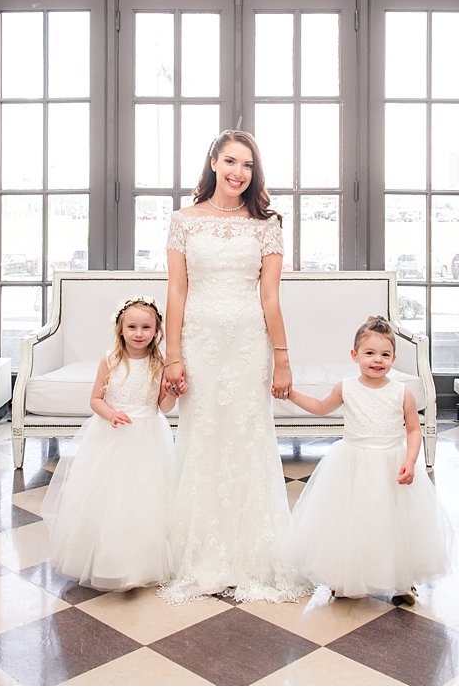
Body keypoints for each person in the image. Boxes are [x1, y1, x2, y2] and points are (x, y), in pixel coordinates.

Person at [159, 130, 310, 605]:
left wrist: (282, 359)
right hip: (200, 343)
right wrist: (173, 353)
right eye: (230, 161)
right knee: (201, 435)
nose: (238, 173)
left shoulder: (266, 225)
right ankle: (200, 552)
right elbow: (177, 291)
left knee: (247, 437)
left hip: (248, 345)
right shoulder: (183, 221)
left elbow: (270, 296)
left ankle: (252, 555)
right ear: (213, 161)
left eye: (247, 165)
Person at [285, 316, 455, 601]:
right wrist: (292, 395)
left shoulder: (401, 392)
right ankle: (344, 576)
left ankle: (403, 580)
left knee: (396, 524)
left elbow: (414, 430)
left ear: (394, 358)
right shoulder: (346, 387)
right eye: (370, 353)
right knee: (351, 521)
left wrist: (411, 461)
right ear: (355, 356)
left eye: (385, 355)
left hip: (391, 464)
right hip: (353, 463)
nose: (378, 360)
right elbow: (319, 407)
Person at [42, 298, 179, 590]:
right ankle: (107, 561)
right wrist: (111, 414)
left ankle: (140, 564)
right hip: (112, 436)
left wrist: (173, 392)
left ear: (156, 331)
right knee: (110, 497)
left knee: (145, 497)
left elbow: (163, 407)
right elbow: (95, 400)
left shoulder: (160, 362)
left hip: (148, 437)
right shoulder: (111, 360)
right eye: (132, 327)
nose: (138, 333)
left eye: (146, 327)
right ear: (120, 329)